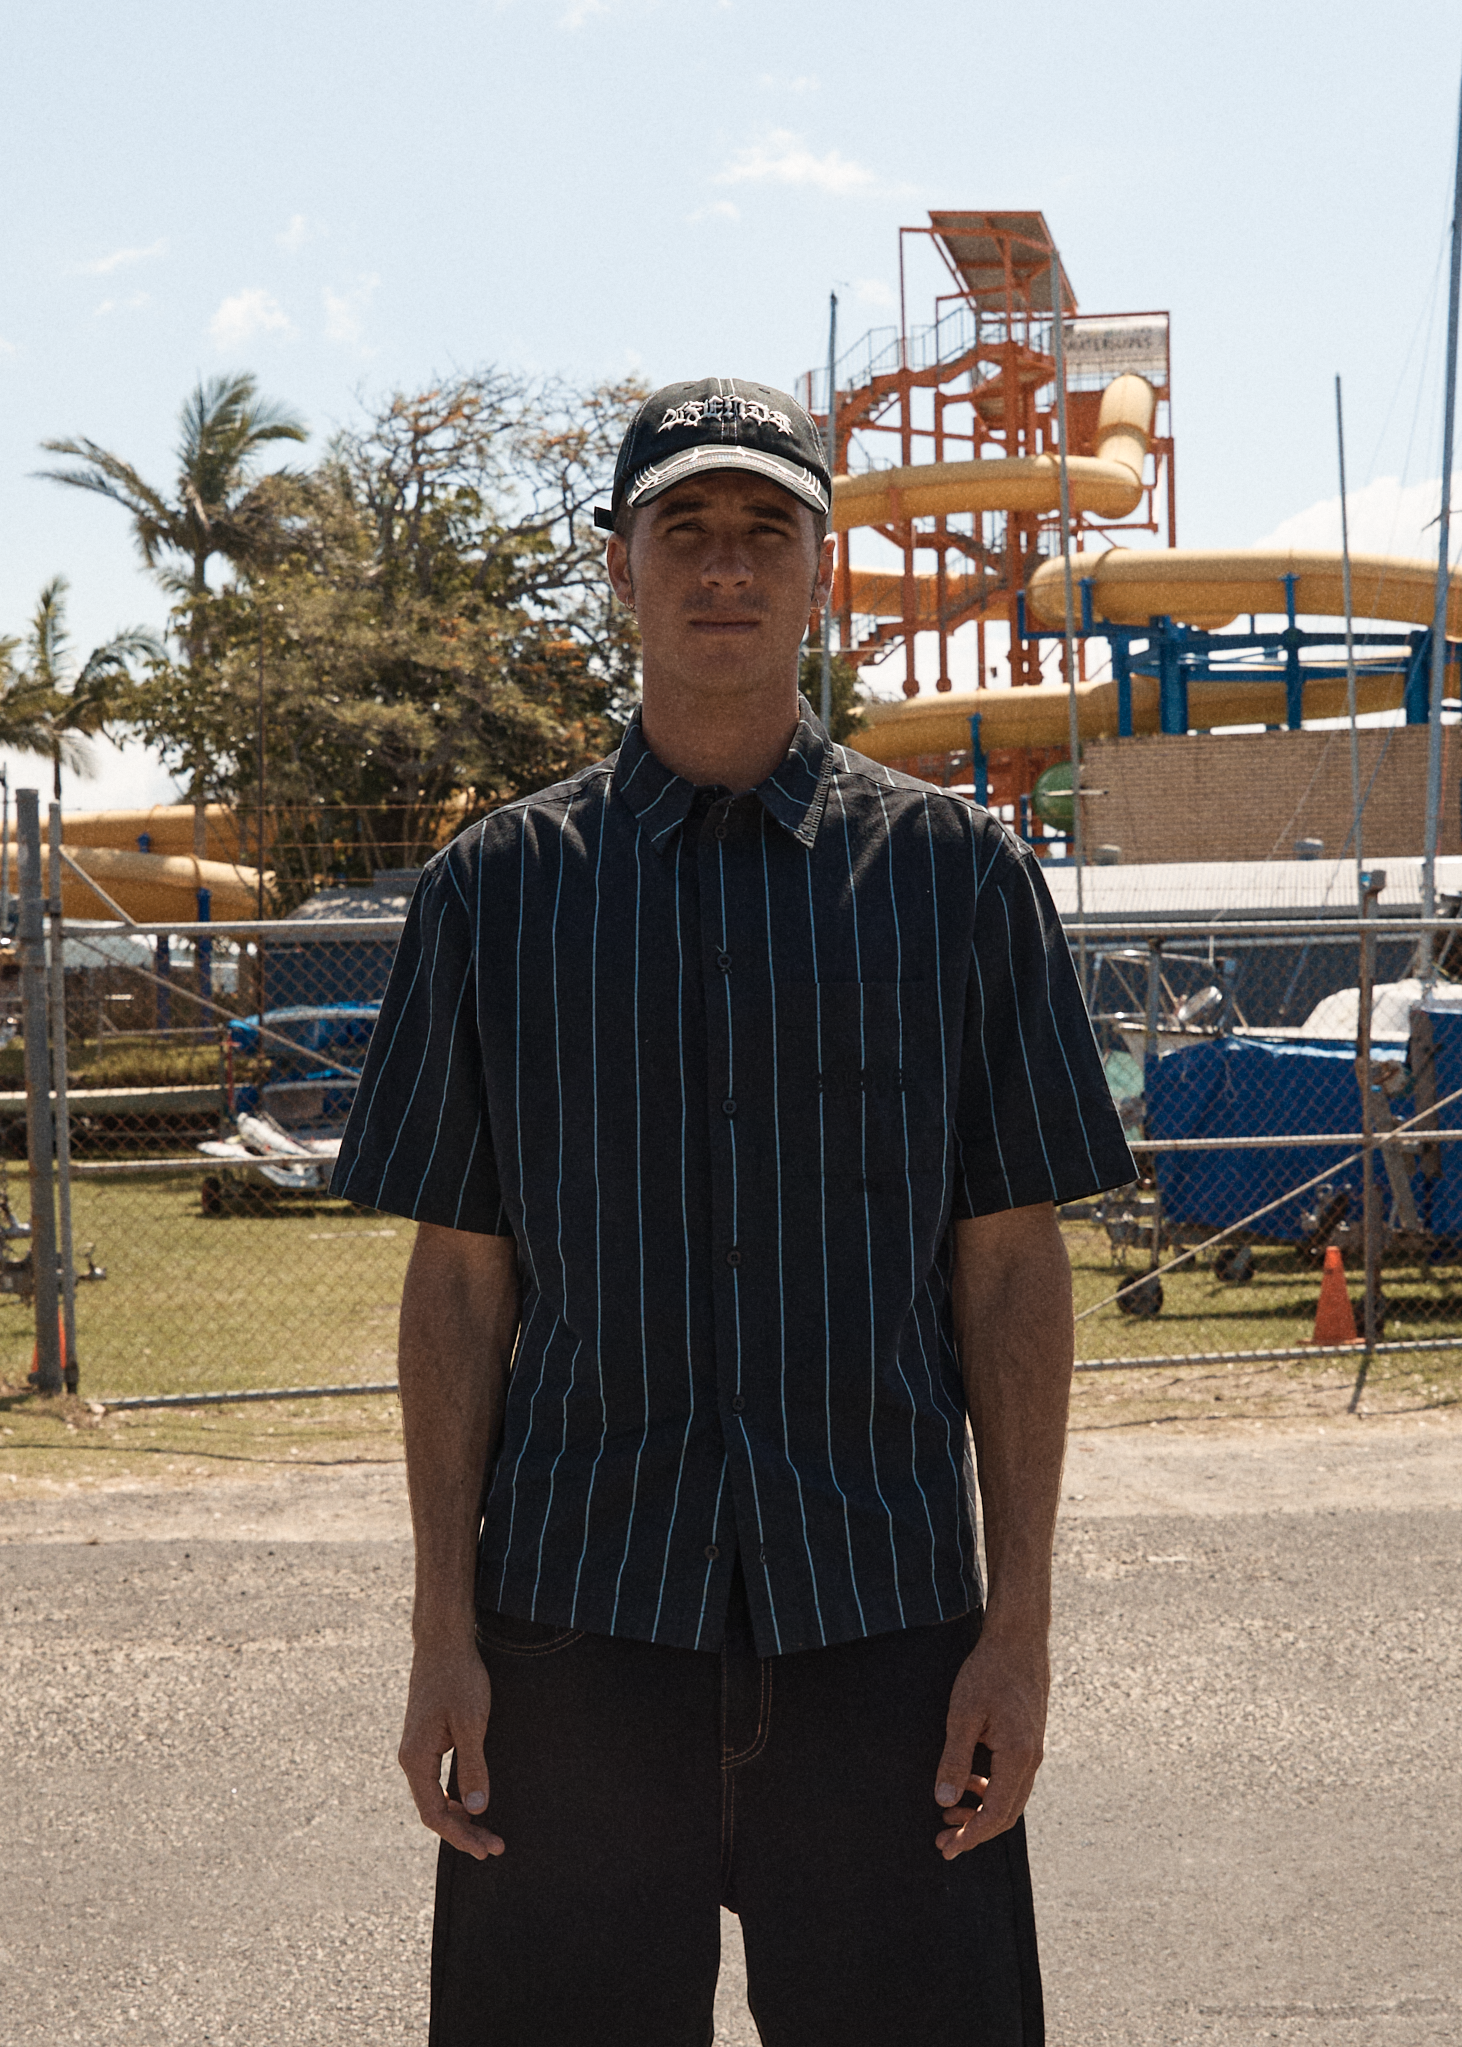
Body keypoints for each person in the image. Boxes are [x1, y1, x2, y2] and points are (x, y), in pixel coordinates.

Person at [333, 376, 1134, 2047]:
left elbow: (1008, 1270)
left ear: (819, 570)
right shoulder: (497, 893)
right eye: (682, 525)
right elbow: (461, 1284)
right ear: (616, 566)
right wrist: (438, 1632)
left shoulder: (953, 880)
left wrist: (1018, 1629)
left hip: (885, 1630)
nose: (722, 562)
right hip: (572, 1630)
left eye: (765, 528)